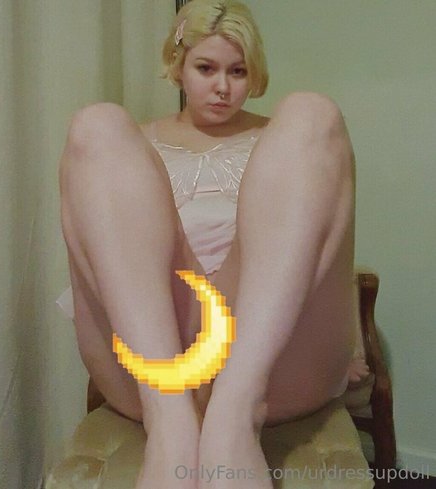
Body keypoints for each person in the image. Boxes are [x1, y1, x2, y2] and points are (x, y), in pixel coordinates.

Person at [56, 0, 367, 487]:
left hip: (270, 355)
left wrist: (355, 339)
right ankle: (169, 421)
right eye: (206, 68)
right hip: (157, 350)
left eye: (237, 71)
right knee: (97, 124)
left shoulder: (289, 141)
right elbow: (110, 269)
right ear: (179, 65)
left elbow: (324, 254)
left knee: (313, 112)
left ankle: (238, 410)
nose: (223, 86)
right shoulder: (131, 147)